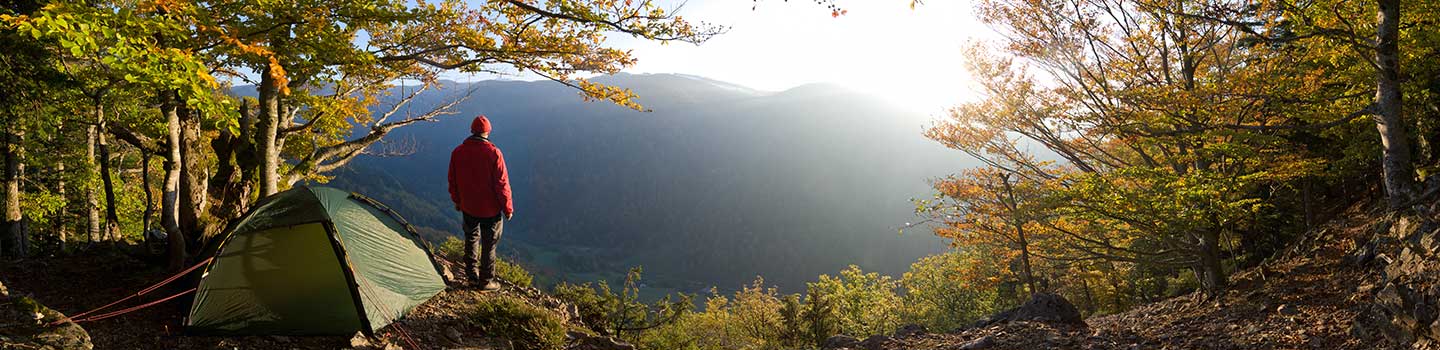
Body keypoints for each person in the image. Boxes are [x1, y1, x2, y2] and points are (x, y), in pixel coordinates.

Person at [448, 115, 513, 291]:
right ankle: (486, 281)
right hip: (490, 210)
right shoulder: (494, 153)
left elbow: (452, 180)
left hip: (468, 206)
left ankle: (471, 276)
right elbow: (501, 184)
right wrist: (508, 208)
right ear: (487, 131)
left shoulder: (458, 152)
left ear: (471, 131)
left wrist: (457, 201)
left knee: (471, 239)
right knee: (489, 244)